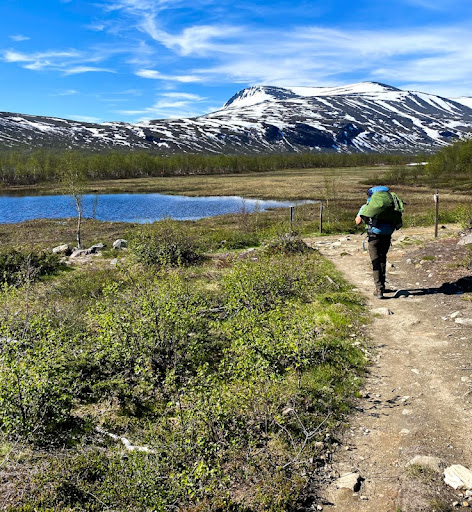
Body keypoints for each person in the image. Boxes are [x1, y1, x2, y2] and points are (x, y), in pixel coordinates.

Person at [355, 186, 404, 299]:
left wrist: (361, 215)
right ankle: (382, 285)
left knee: (376, 261)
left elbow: (358, 222)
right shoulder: (391, 206)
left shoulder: (367, 207)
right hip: (387, 235)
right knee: (383, 259)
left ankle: (379, 289)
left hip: (373, 236)